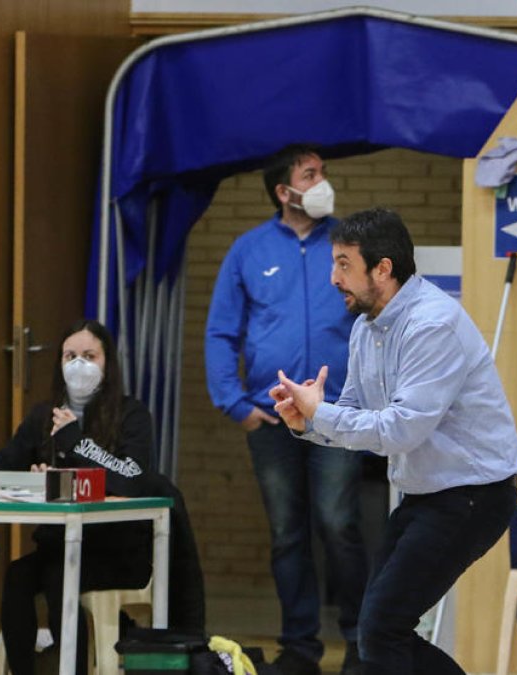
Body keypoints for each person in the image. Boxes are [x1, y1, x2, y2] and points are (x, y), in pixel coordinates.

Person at [270, 207, 517, 675]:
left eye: (344, 264)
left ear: (383, 268)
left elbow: (400, 429)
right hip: (426, 493)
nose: (333, 278)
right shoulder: (368, 328)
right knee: (381, 631)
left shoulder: (432, 325)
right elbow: (353, 416)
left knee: (382, 628)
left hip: (474, 494)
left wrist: (321, 414)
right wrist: (306, 423)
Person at [205, 143, 368, 675]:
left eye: (322, 171)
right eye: (311, 173)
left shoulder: (347, 244)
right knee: (287, 533)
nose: (323, 180)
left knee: (339, 523)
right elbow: (221, 330)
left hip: (336, 414)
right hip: (270, 416)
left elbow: (375, 317)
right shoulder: (248, 251)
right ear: (284, 190)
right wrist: (235, 405)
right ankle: (300, 650)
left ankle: (361, 642)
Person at [0, 319, 205, 675]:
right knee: (17, 576)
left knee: (61, 578)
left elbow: (133, 479)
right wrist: (28, 480)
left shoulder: (131, 415)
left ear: (108, 363)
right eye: (70, 355)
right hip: (59, 545)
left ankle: (71, 668)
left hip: (118, 552)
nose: (79, 365)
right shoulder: (43, 417)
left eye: (90, 356)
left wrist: (77, 443)